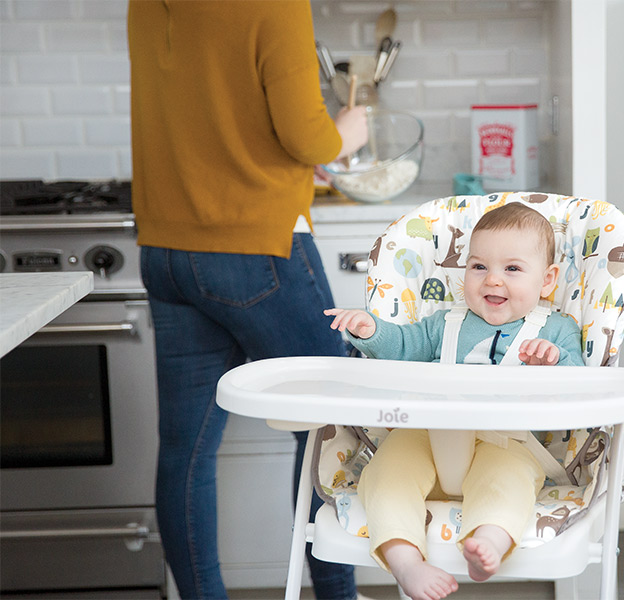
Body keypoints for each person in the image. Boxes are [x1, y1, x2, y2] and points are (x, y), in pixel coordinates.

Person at [128, 1, 368, 598]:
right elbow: (306, 136)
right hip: (258, 249)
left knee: (185, 452)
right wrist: (347, 132)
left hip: (167, 249)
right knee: (329, 431)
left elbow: (211, 114)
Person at [325, 203, 585, 600]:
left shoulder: (556, 330)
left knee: (509, 482)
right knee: (384, 475)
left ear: (547, 280)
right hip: (426, 436)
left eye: (512, 269)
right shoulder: (445, 323)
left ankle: (488, 542)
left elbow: (581, 387)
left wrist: (554, 362)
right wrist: (371, 330)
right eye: (479, 266)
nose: (492, 279)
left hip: (507, 441)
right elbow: (403, 347)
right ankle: (406, 561)